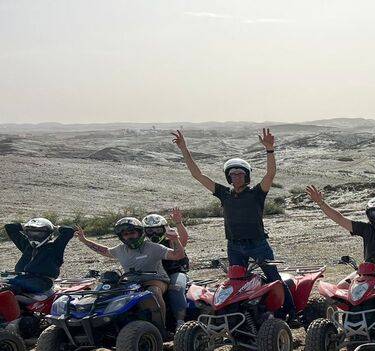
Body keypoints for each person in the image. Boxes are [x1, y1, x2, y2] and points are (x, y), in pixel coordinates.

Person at [171, 127, 297, 320]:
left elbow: (270, 174)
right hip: (235, 246)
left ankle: (291, 313)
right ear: (228, 177)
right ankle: (242, 317)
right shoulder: (224, 194)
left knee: (274, 278)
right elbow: (198, 175)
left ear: (246, 176)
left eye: (240, 174)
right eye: (232, 174)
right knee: (236, 282)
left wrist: (269, 150)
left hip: (258, 244)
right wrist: (184, 149)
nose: (236, 176)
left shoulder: (256, 193)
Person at [74, 217, 185, 330]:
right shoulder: (120, 250)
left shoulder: (152, 247)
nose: (129, 236)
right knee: (108, 294)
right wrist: (84, 240)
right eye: (125, 234)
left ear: (140, 232)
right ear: (121, 236)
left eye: (132, 233)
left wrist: (175, 239)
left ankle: (160, 329)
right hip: (131, 283)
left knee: (152, 293)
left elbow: (178, 255)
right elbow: (104, 250)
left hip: (156, 280)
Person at [143, 209, 190, 328]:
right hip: (153, 276)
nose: (154, 234)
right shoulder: (143, 245)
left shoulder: (171, 241)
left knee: (176, 288)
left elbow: (183, 239)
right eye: (150, 230)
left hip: (174, 273)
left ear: (164, 229)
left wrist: (178, 223)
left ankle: (180, 322)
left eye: (158, 230)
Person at [3, 218, 75, 295]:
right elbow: (10, 227)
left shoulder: (55, 248)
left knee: (10, 283)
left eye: (39, 233)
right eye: (31, 233)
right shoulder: (27, 246)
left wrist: (54, 227)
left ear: (48, 234)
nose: (35, 236)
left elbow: (68, 231)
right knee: (8, 284)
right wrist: (27, 225)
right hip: (23, 279)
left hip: (42, 282)